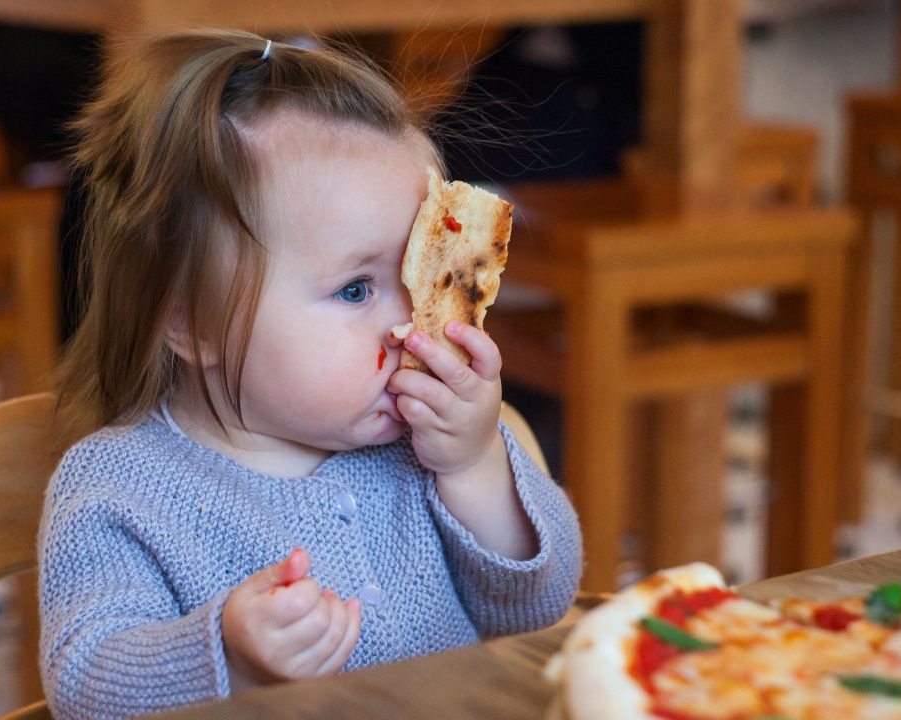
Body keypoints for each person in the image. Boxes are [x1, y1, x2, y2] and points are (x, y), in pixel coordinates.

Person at [40, 28, 583, 720]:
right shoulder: (117, 488)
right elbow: (85, 687)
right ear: (191, 321)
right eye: (356, 290)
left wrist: (474, 467)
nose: (407, 325)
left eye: (418, 276)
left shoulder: (423, 448)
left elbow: (541, 605)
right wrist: (230, 656)